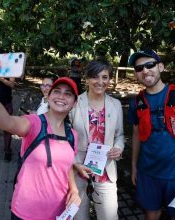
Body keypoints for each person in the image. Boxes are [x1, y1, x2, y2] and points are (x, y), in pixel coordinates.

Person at [0, 51, 81, 220]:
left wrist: (74, 189)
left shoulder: (72, 135)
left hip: (59, 212)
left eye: (68, 94)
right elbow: (7, 122)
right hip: (26, 213)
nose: (62, 96)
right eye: (57, 91)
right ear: (49, 96)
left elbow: (67, 166)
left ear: (74, 103)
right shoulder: (34, 123)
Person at [128, 49, 175, 220]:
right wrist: (134, 166)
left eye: (150, 65)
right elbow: (136, 135)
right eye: (139, 68)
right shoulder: (136, 103)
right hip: (148, 173)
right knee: (151, 213)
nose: (145, 71)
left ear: (160, 67)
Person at [70, 59, 124, 220]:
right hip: (79, 170)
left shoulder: (116, 105)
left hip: (105, 171)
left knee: (109, 216)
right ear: (86, 79)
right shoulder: (74, 103)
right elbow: (66, 138)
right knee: (79, 217)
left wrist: (118, 148)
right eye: (95, 77)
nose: (100, 82)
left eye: (105, 77)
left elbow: (120, 135)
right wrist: (73, 163)